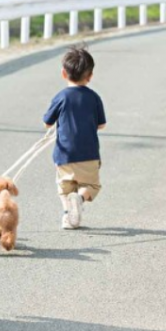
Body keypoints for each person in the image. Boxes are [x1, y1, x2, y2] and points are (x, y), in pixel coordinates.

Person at [42, 45, 106, 230]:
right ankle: (80, 199)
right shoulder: (94, 98)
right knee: (91, 185)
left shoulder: (61, 97)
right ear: (90, 76)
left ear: (64, 73)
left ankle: (67, 216)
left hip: (64, 154)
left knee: (64, 188)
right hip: (89, 153)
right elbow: (101, 124)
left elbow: (47, 122)